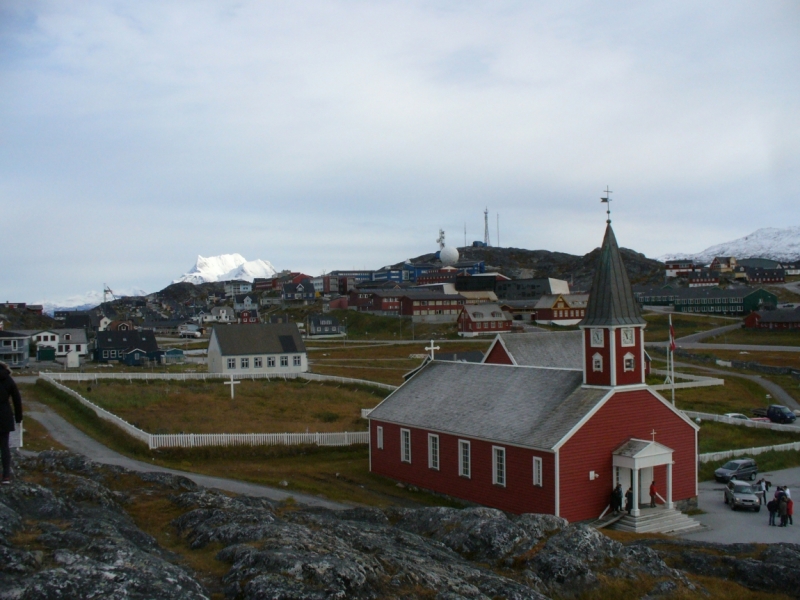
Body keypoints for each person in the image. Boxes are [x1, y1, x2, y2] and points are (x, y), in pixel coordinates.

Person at [0, 361, 22, 484]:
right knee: (4, 447)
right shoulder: (8, 380)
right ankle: (6, 476)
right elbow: (16, 399)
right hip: (4, 415)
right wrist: (19, 418)